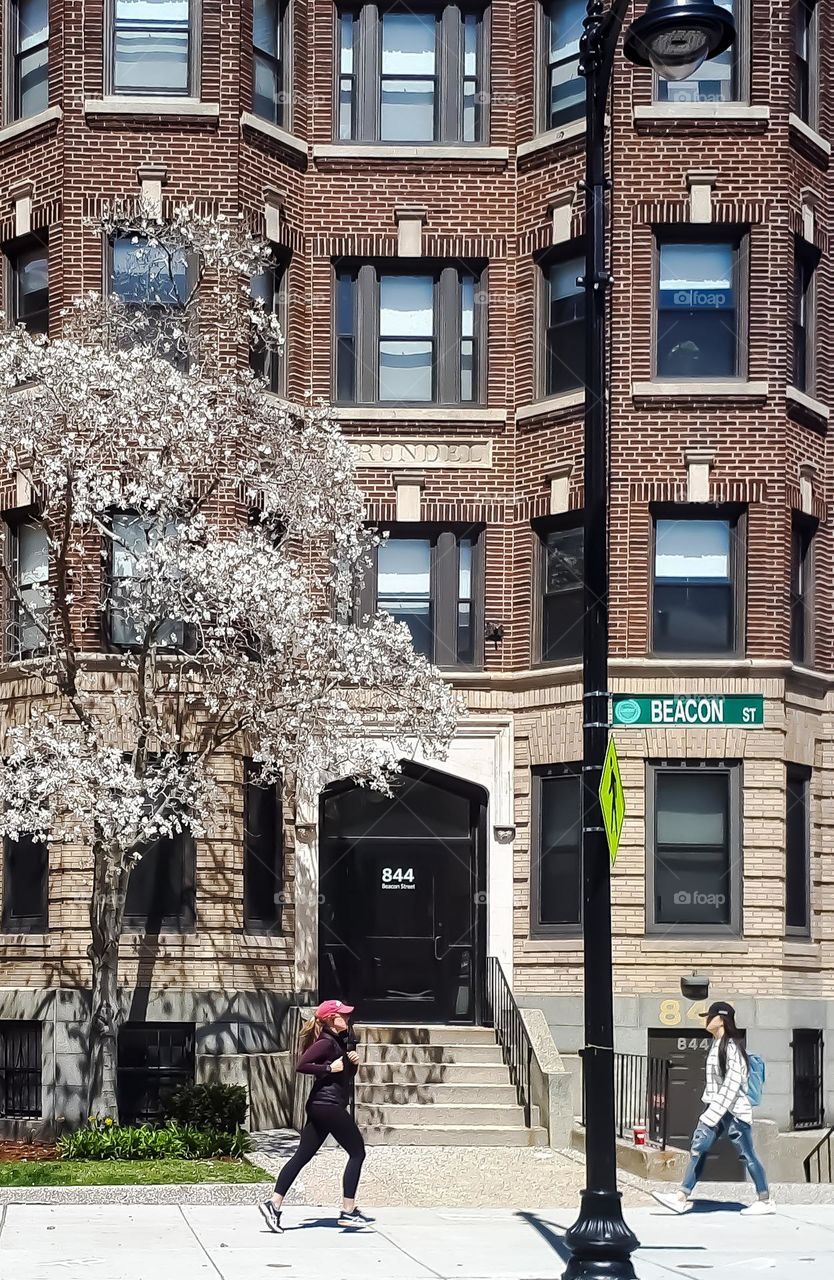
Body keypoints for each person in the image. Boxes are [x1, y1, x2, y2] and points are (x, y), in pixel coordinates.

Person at [259, 999, 369, 1234]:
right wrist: (329, 1068)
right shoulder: (326, 1043)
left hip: (323, 1105)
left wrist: (353, 1064)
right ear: (331, 1019)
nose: (348, 1019)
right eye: (343, 1015)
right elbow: (302, 1065)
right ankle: (348, 1212)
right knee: (357, 1152)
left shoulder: (340, 1042)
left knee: (302, 1156)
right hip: (327, 1106)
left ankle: (273, 1205)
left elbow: (342, 1078)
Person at [655, 1001, 774, 1216]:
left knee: (747, 1154)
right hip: (718, 1109)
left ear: (721, 1020)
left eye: (709, 1016)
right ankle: (681, 1197)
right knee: (698, 1150)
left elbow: (732, 1084)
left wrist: (711, 1114)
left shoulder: (731, 1049)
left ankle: (765, 1200)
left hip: (734, 1112)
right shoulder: (716, 1044)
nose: (706, 1020)